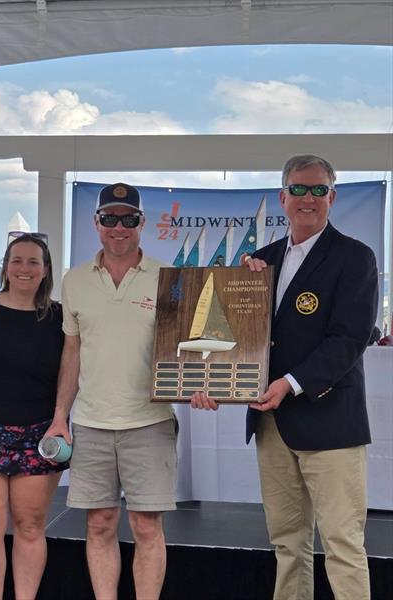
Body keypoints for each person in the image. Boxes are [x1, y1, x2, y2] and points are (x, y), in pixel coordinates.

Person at [192, 154, 379, 600]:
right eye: (298, 189)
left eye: (318, 190)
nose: (308, 198)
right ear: (282, 197)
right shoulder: (259, 263)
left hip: (329, 420)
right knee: (288, 543)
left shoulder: (355, 257)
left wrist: (290, 382)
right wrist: (216, 382)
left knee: (342, 544)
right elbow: (237, 338)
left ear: (332, 197)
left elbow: (349, 339)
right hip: (272, 425)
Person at [44, 183, 177, 600]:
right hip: (91, 423)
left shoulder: (168, 278)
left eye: (129, 219)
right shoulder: (75, 281)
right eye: (109, 218)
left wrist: (201, 386)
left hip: (150, 421)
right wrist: (59, 417)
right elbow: (72, 349)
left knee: (146, 526)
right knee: (99, 523)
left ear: (142, 223)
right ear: (95, 223)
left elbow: (187, 345)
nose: (119, 227)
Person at [0, 232, 66, 600]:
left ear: (46, 270)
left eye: (33, 261)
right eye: (16, 260)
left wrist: (61, 420)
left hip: (38, 434)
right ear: (5, 267)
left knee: (30, 527)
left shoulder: (59, 319)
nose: (24, 268)